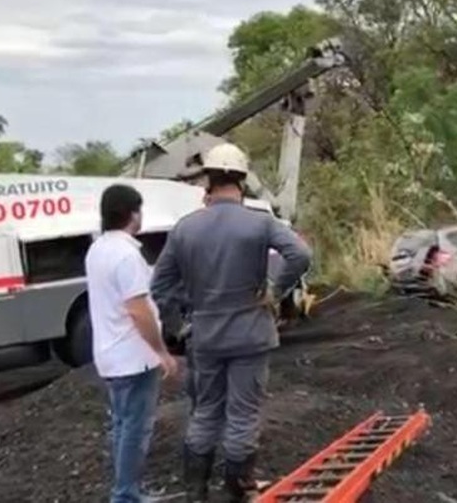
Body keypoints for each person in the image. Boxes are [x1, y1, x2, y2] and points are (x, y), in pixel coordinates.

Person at [151, 143, 312, 502]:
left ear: (208, 180)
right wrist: (275, 289)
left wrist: (178, 324)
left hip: (205, 336)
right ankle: (239, 490)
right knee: (243, 413)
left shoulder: (185, 229)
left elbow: (160, 287)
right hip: (251, 334)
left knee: (205, 412)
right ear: (242, 181)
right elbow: (300, 254)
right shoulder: (259, 222)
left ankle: (196, 490)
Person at [85, 184, 179, 503]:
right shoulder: (127, 255)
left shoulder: (97, 249)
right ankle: (125, 495)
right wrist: (161, 351)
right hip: (133, 357)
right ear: (132, 213)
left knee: (122, 425)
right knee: (135, 430)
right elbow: (139, 310)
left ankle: (129, 489)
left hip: (111, 355)